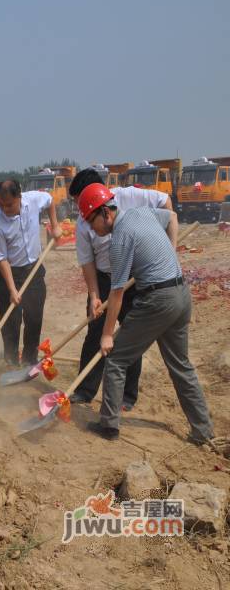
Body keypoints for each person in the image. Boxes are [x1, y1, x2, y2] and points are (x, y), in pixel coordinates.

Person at [78, 184, 214, 443]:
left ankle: (108, 426)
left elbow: (116, 293)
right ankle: (203, 431)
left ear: (105, 212)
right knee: (181, 366)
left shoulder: (119, 239)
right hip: (180, 293)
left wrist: (107, 335)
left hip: (157, 301)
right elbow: (172, 217)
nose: (91, 229)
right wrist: (171, 251)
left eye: (91, 221)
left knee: (116, 358)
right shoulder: (141, 213)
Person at [68, 169, 172, 409]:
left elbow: (165, 203)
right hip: (105, 280)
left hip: (133, 280)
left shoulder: (128, 197)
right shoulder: (83, 223)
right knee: (95, 331)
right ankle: (84, 390)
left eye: (81, 200)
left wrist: (167, 245)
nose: (80, 208)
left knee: (129, 335)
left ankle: (127, 396)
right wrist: (94, 296)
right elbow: (87, 262)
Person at [0, 179, 61, 367]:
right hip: (9, 273)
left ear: (19, 197)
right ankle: (11, 361)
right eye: (1, 205)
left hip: (34, 269)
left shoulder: (34, 200)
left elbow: (50, 200)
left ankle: (30, 360)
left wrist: (55, 225)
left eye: (9, 204)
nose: (5, 209)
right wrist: (12, 289)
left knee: (34, 316)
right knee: (11, 321)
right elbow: (1, 259)